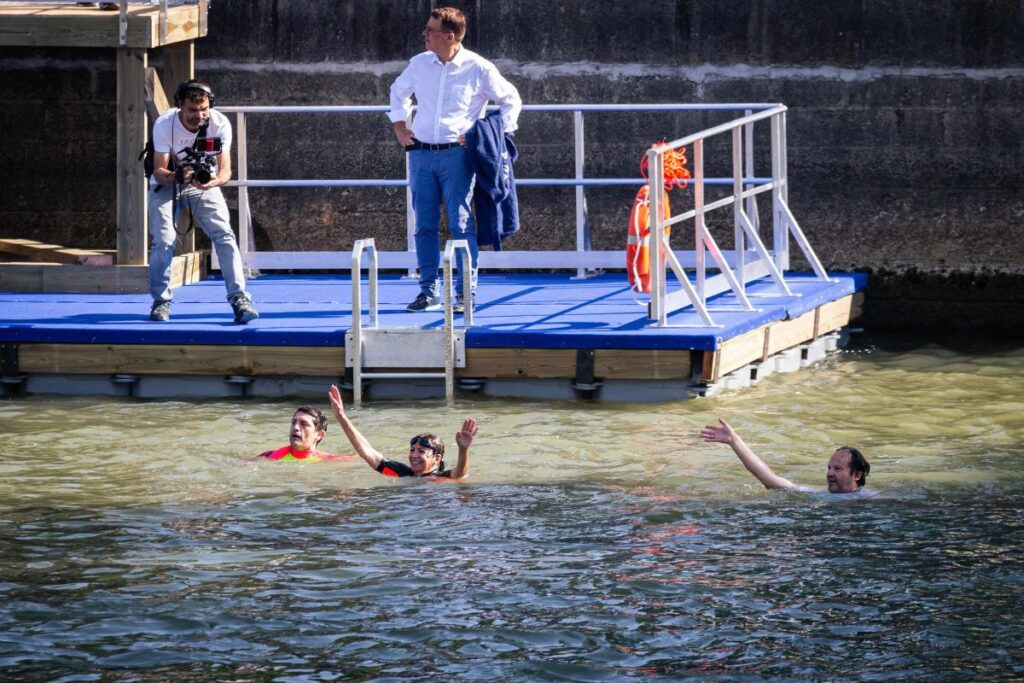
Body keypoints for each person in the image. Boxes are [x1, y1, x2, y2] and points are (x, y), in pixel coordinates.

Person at [388, 6, 522, 313]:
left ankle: (464, 293)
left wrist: (490, 131)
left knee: (461, 224)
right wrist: (399, 126)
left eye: (429, 30)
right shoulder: (419, 64)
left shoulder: (478, 67)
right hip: (421, 153)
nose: (424, 34)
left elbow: (510, 99)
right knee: (424, 225)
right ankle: (428, 291)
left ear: (449, 36)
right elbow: (398, 92)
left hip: (457, 156)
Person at [148, 79, 259, 324]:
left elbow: (226, 171)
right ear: (180, 106)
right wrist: (177, 175)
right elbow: (158, 171)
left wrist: (212, 182)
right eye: (192, 110)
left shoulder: (219, 123)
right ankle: (161, 301)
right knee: (163, 240)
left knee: (224, 234)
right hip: (167, 183)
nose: (198, 115)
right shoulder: (166, 124)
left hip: (203, 183)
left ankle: (239, 297)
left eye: (203, 110)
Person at [328, 385, 476, 480]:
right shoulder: (401, 473)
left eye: (421, 451)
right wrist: (341, 417)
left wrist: (463, 449)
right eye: (412, 450)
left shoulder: (443, 477)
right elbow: (367, 452)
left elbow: (460, 474)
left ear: (437, 458)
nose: (414, 455)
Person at [700, 417, 871, 494]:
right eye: (829, 468)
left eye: (837, 468)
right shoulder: (818, 495)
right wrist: (734, 441)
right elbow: (769, 480)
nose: (829, 473)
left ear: (856, 475)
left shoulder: (872, 499)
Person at [257, 406, 357, 462]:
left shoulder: (329, 460)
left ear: (319, 435)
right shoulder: (268, 456)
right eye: (293, 422)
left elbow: (364, 457)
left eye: (304, 424)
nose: (295, 427)